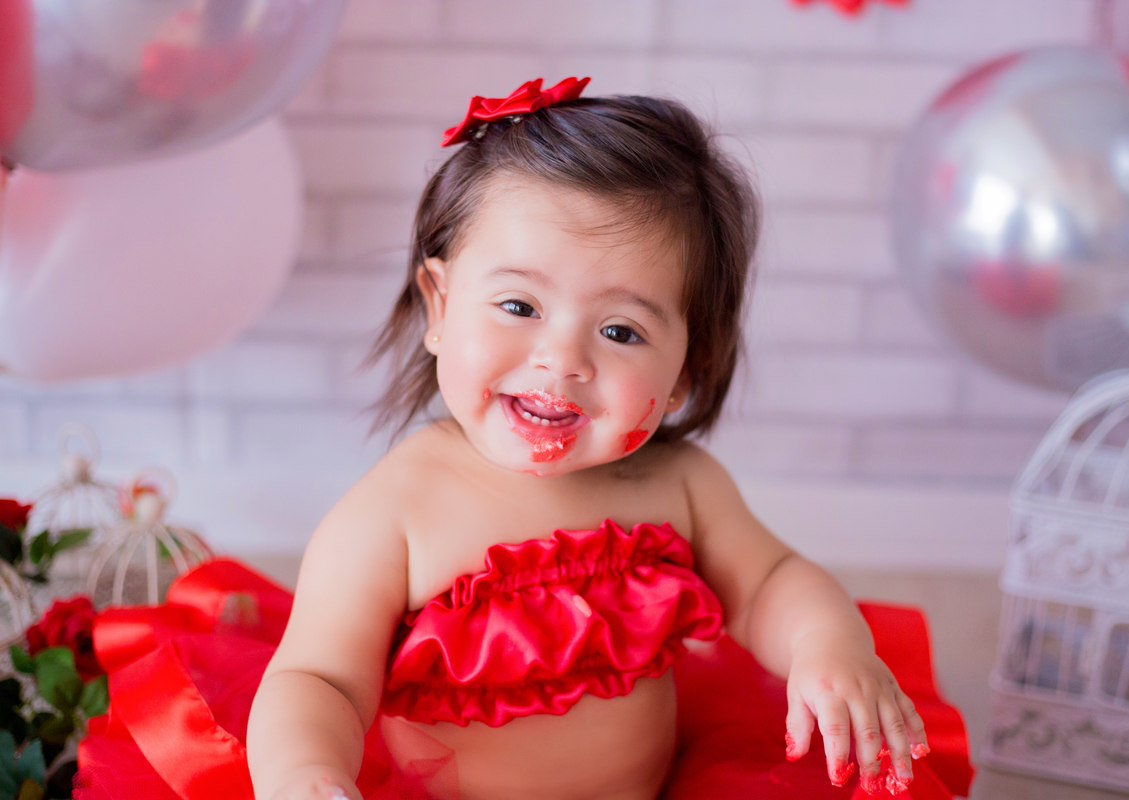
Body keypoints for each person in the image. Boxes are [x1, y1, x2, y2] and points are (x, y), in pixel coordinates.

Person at [74, 78, 970, 800]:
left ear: (687, 369)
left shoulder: (680, 484)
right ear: (437, 305)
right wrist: (307, 776)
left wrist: (828, 647)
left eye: (622, 332)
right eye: (518, 306)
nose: (561, 359)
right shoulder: (399, 509)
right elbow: (322, 682)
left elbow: (771, 582)